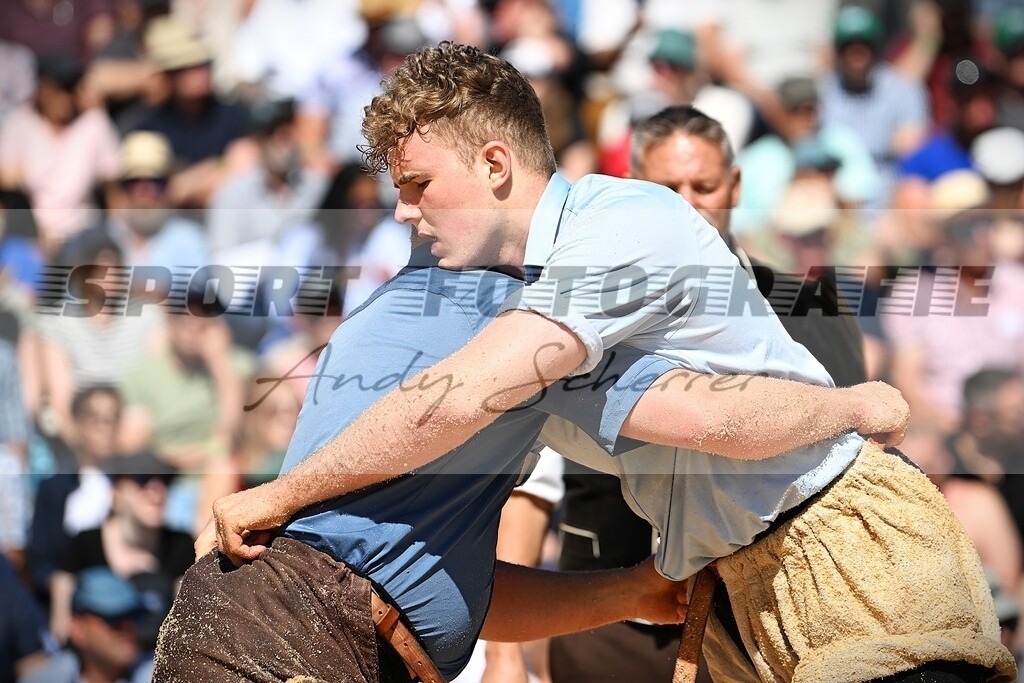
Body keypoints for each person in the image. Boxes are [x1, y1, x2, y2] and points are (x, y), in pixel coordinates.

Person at [208, 43, 1015, 682]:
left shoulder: (617, 223)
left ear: (495, 165)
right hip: (740, 588)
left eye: (418, 183)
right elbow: (473, 572)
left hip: (844, 542)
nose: (401, 211)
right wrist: (622, 594)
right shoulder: (520, 301)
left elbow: (459, 398)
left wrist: (281, 493)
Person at [169, 238, 904, 683]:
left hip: (298, 622)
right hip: (287, 626)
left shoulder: (404, 304)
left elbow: (450, 588)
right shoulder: (522, 322)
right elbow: (712, 416)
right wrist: (857, 407)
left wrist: (624, 590)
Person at [549, 104, 870, 683]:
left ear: (736, 185)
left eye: (705, 185)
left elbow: (850, 465)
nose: (688, 203)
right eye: (666, 188)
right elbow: (536, 479)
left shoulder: (815, 309)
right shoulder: (578, 307)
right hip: (606, 622)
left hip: (767, 624)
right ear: (631, 192)